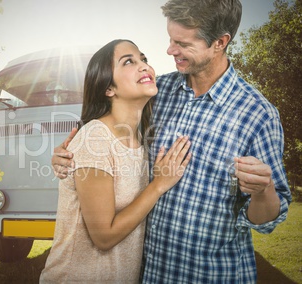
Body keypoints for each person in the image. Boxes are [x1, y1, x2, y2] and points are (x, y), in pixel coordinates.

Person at [51, 1, 292, 283]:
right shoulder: (156, 92)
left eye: (182, 43)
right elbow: (111, 135)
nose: (169, 50)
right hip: (148, 274)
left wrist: (263, 192)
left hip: (210, 276)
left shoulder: (258, 114)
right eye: (169, 39)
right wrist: (69, 158)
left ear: (220, 42)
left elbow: (267, 221)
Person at [40, 39, 191, 283]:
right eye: (129, 61)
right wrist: (159, 185)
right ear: (109, 89)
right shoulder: (96, 137)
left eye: (144, 59)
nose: (144, 66)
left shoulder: (141, 139)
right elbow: (104, 237)